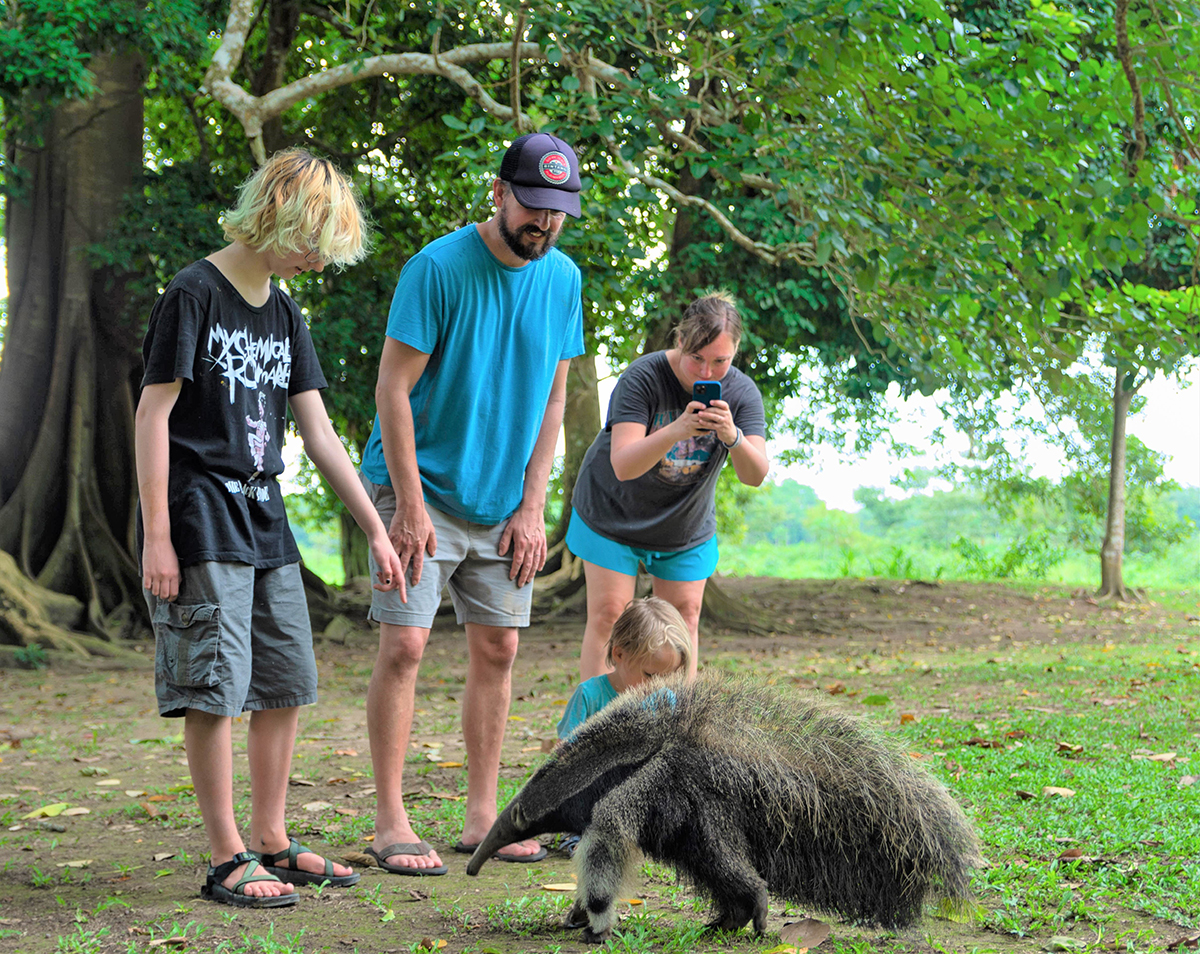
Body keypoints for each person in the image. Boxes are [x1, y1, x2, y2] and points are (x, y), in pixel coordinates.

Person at [135, 148, 405, 908]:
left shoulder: (286, 313)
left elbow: (318, 436)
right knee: (213, 686)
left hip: (264, 516)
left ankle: (273, 841)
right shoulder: (192, 294)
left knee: (286, 678)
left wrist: (377, 531)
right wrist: (158, 534)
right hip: (198, 512)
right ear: (280, 212)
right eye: (313, 243)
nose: (318, 262)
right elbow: (152, 415)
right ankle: (226, 857)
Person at [356, 131, 586, 874]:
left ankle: (483, 816)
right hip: (413, 483)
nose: (542, 224)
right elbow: (392, 389)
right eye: (531, 207)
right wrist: (409, 507)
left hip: (501, 497)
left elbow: (554, 399)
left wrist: (532, 505)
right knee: (406, 642)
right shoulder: (437, 268)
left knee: (500, 645)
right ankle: (390, 820)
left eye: (557, 212)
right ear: (498, 193)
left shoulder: (563, 280)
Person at [567, 291, 769, 680]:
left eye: (720, 361)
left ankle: (677, 730)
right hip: (611, 513)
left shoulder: (742, 393)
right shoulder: (643, 377)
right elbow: (624, 465)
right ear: (680, 341)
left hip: (683, 526)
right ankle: (594, 728)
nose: (707, 373)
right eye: (697, 359)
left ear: (736, 352)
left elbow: (755, 474)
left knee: (683, 621)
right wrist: (677, 430)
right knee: (611, 616)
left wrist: (732, 436)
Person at [554, 596, 691, 856]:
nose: (658, 686)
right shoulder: (590, 695)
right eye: (650, 675)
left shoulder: (664, 700)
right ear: (619, 653)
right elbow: (565, 752)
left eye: (668, 678)